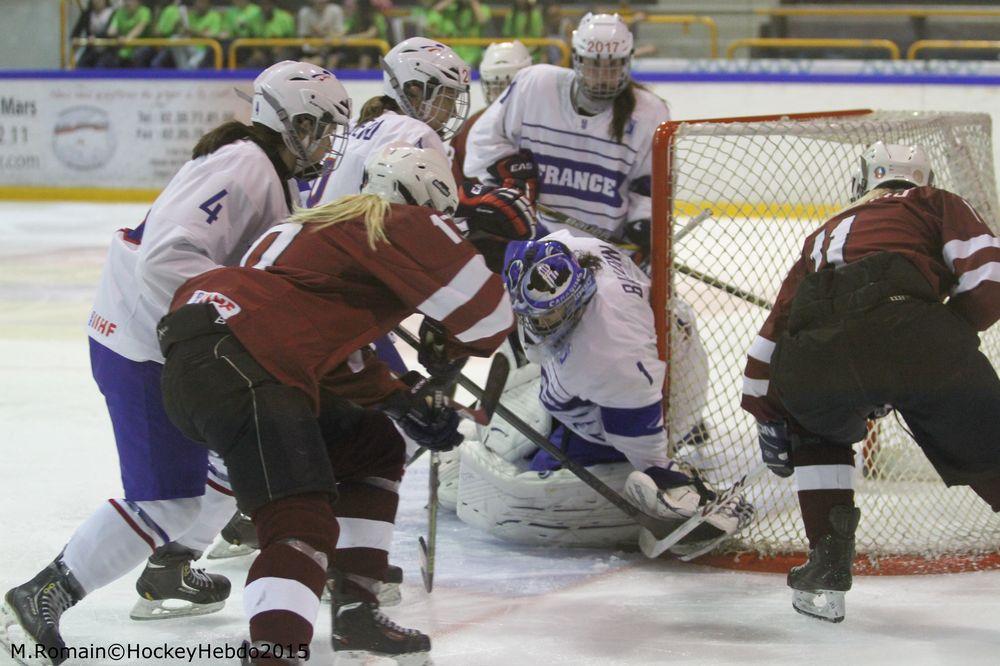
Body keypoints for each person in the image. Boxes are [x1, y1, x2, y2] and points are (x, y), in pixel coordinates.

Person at [0, 61, 352, 662]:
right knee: (166, 501)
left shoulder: (267, 168)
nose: (326, 143)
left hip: (164, 339)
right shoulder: (245, 165)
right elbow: (165, 259)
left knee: (228, 455)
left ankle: (170, 568)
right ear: (287, 122)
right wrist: (242, 314)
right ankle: (40, 597)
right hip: (140, 343)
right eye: (319, 128)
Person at [155, 142, 514, 662]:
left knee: (373, 445)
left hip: (206, 360)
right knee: (300, 524)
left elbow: (308, 342)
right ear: (426, 199)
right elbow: (489, 320)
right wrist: (489, 248)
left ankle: (356, 614)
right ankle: (274, 654)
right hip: (244, 362)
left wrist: (404, 398)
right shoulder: (399, 220)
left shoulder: (309, 227)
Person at [741, 142, 1000, 622]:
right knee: (992, 451)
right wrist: (942, 338)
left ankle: (828, 563)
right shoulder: (934, 201)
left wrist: (768, 413)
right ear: (923, 177)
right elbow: (989, 281)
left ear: (861, 184)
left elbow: (770, 338)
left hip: (816, 357)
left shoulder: (822, 233)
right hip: (915, 332)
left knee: (817, 431)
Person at [452, 230, 749, 554]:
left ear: (578, 294)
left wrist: (664, 479)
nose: (542, 324)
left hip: (652, 399)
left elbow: (640, 437)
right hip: (652, 361)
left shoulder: (607, 352)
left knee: (534, 483)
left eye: (550, 314)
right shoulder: (572, 252)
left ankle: (681, 487)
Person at [464, 13, 670, 253]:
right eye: (594, 64)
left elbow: (649, 183)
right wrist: (508, 168)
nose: (603, 76)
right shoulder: (535, 86)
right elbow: (483, 141)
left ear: (627, 63)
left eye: (612, 66)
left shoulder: (648, 112)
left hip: (608, 251)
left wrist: (643, 220)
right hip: (535, 241)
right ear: (577, 60)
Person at [308, 36, 470, 208]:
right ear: (416, 91)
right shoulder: (417, 133)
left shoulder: (357, 123)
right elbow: (441, 215)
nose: (453, 113)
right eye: (449, 99)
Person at [450, 40, 532, 185]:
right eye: (495, 88)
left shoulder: (543, 125)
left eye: (508, 88)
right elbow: (456, 187)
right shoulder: (468, 128)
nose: (502, 97)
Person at [425, 0, 491, 67]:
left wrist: (473, 2)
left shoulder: (482, 8)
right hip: (452, 54)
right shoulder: (451, 9)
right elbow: (433, 15)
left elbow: (482, 20)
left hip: (474, 57)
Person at [297, 0, 345, 69]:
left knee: (332, 59)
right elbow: (304, 37)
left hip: (331, 49)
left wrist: (326, 35)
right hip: (312, 50)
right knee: (304, 63)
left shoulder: (335, 10)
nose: (320, 3)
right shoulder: (305, 13)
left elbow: (340, 34)